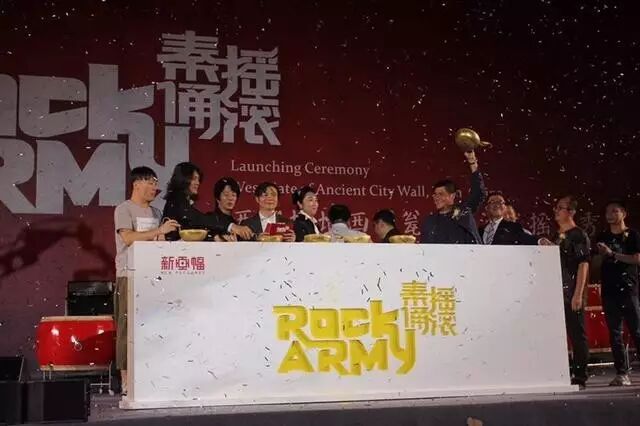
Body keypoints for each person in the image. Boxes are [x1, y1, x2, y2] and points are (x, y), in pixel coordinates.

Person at [113, 166, 179, 394]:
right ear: (136, 184)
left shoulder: (157, 213)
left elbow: (158, 241)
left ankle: (153, 375)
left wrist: (165, 237)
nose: (154, 187)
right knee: (127, 329)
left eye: (155, 183)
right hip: (129, 275)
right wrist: (158, 231)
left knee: (154, 326)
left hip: (152, 277)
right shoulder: (124, 209)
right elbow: (128, 238)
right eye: (150, 182)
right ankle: (126, 380)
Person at [541, 196, 590, 388]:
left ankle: (580, 376)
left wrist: (578, 293)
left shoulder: (578, 235)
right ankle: (560, 372)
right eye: (556, 207)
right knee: (558, 335)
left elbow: (583, 264)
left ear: (571, 212)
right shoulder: (556, 235)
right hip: (556, 293)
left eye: (560, 208)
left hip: (571, 291)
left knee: (577, 334)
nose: (556, 211)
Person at [595, 200, 640, 386]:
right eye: (607, 211)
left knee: (637, 330)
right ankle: (622, 373)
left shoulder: (633, 235)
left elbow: (637, 259)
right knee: (615, 333)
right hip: (609, 290)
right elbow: (596, 263)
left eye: (615, 211)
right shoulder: (602, 236)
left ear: (624, 214)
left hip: (628, 289)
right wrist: (599, 257)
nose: (610, 215)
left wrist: (612, 254)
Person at [420, 151, 487, 244]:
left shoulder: (462, 212)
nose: (436, 198)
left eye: (441, 194)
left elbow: (478, 193)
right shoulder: (430, 222)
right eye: (435, 195)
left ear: (452, 196)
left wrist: (472, 162)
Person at [161, 162, 215, 240]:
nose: (198, 183)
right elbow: (196, 219)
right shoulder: (177, 199)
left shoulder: (183, 201)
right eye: (194, 179)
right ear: (183, 179)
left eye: (198, 179)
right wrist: (223, 225)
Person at [207, 177, 254, 241]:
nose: (230, 198)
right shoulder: (210, 219)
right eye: (226, 195)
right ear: (217, 198)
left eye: (233, 195)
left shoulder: (236, 224)